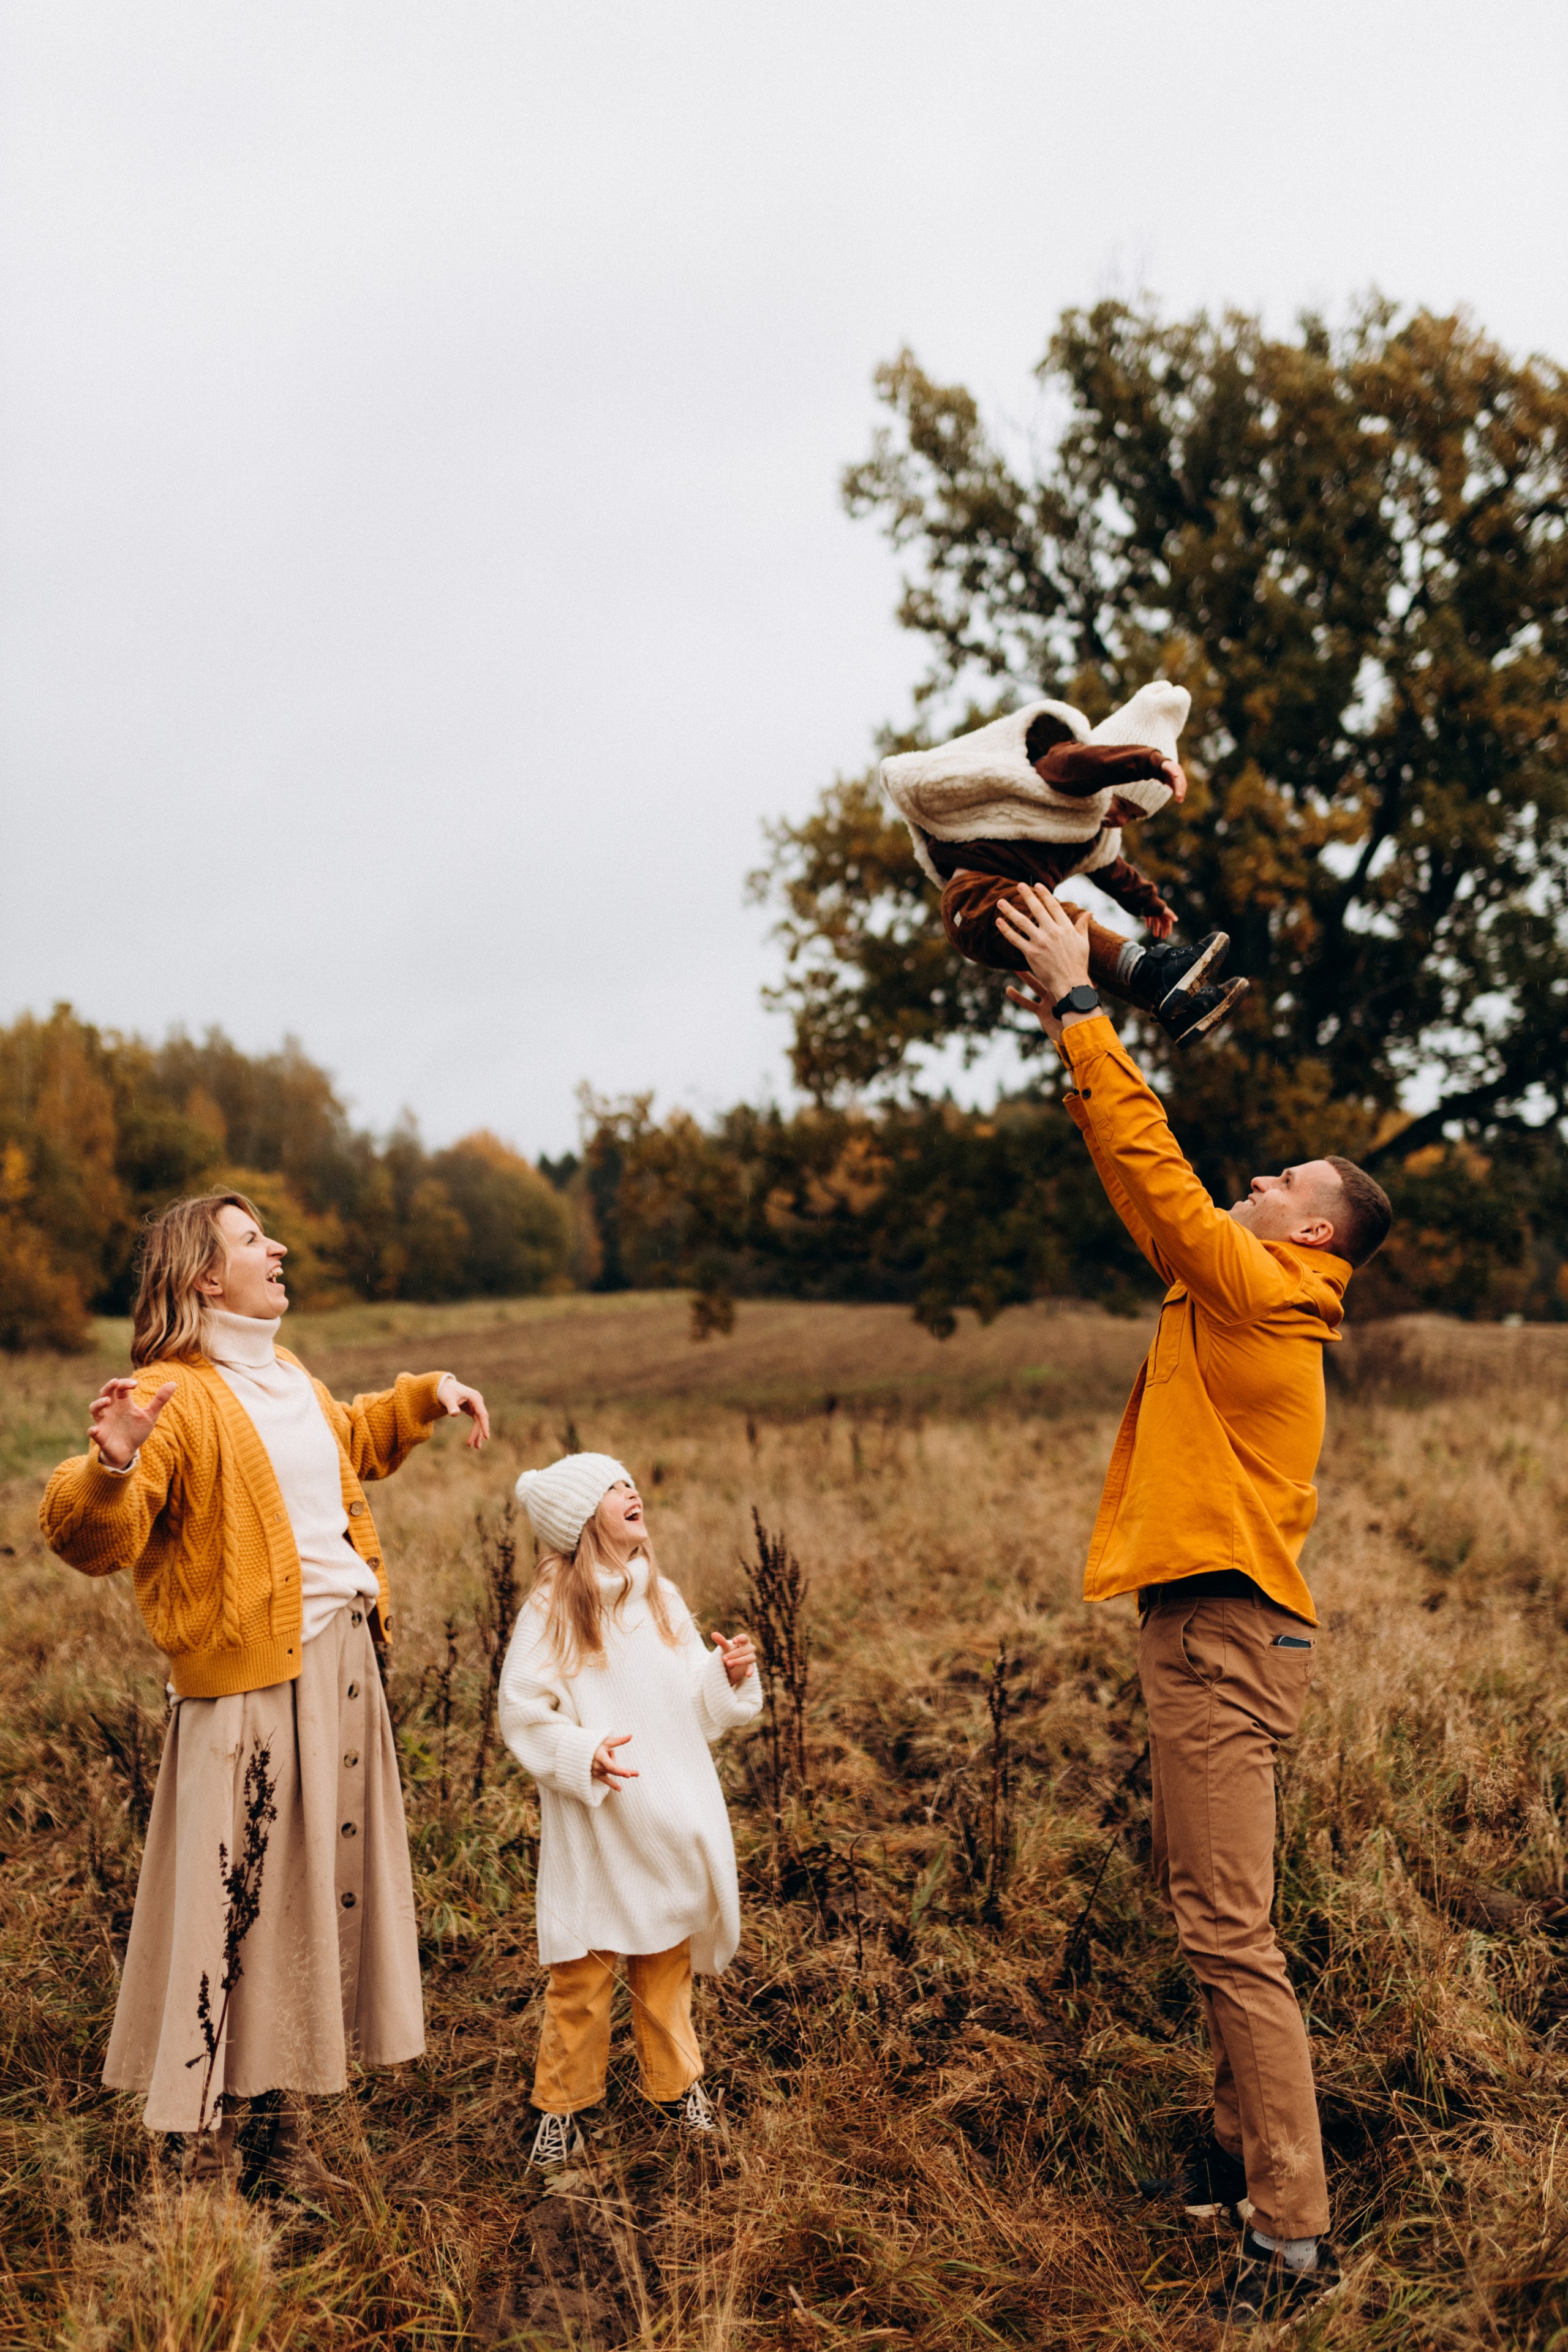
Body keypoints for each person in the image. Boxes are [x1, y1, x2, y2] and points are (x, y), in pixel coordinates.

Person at [996, 884, 1392, 2326]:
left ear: (1316, 1234)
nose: (1262, 1176)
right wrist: (1066, 1035)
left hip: (1223, 1634)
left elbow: (1165, 1184)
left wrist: (1085, 1007)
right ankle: (1235, 2154)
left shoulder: (1271, 1293)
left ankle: (1288, 2234)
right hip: (1206, 1625)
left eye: (1287, 1174)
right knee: (1209, 1908)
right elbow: (1140, 1190)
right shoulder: (1236, 1290)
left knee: (1229, 1932)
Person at [38, 1191, 490, 2193]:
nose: (278, 1248)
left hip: (340, 1672)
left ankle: (289, 2130)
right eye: (253, 1240)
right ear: (206, 1274)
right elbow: (89, 1535)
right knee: (232, 1914)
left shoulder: (286, 1374)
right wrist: (110, 1467)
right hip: (249, 1691)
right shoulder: (176, 1395)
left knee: (308, 1910)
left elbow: (346, 1444)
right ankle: (197, 2151)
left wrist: (425, 1396)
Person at [497, 1452, 761, 2164]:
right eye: (612, 1487)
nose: (630, 1489)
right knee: (584, 1972)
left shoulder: (660, 1597)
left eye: (627, 1479)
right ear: (584, 1522)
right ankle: (562, 2106)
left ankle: (675, 2086)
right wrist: (580, 1753)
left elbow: (688, 1704)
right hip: (598, 1817)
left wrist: (724, 1676)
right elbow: (521, 1712)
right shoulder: (552, 1608)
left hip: (664, 1811)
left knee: (664, 1957)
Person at [880, 679, 1250, 1048]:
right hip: (975, 901)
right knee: (1061, 924)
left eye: (1133, 818)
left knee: (1075, 951)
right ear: (1108, 782)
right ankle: (1156, 971)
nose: (1121, 821)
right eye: (1123, 806)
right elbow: (1082, 763)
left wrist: (1148, 902)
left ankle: (1175, 1007)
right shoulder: (1061, 773)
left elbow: (1114, 872)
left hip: (1014, 908)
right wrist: (1151, 763)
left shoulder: (1092, 835)